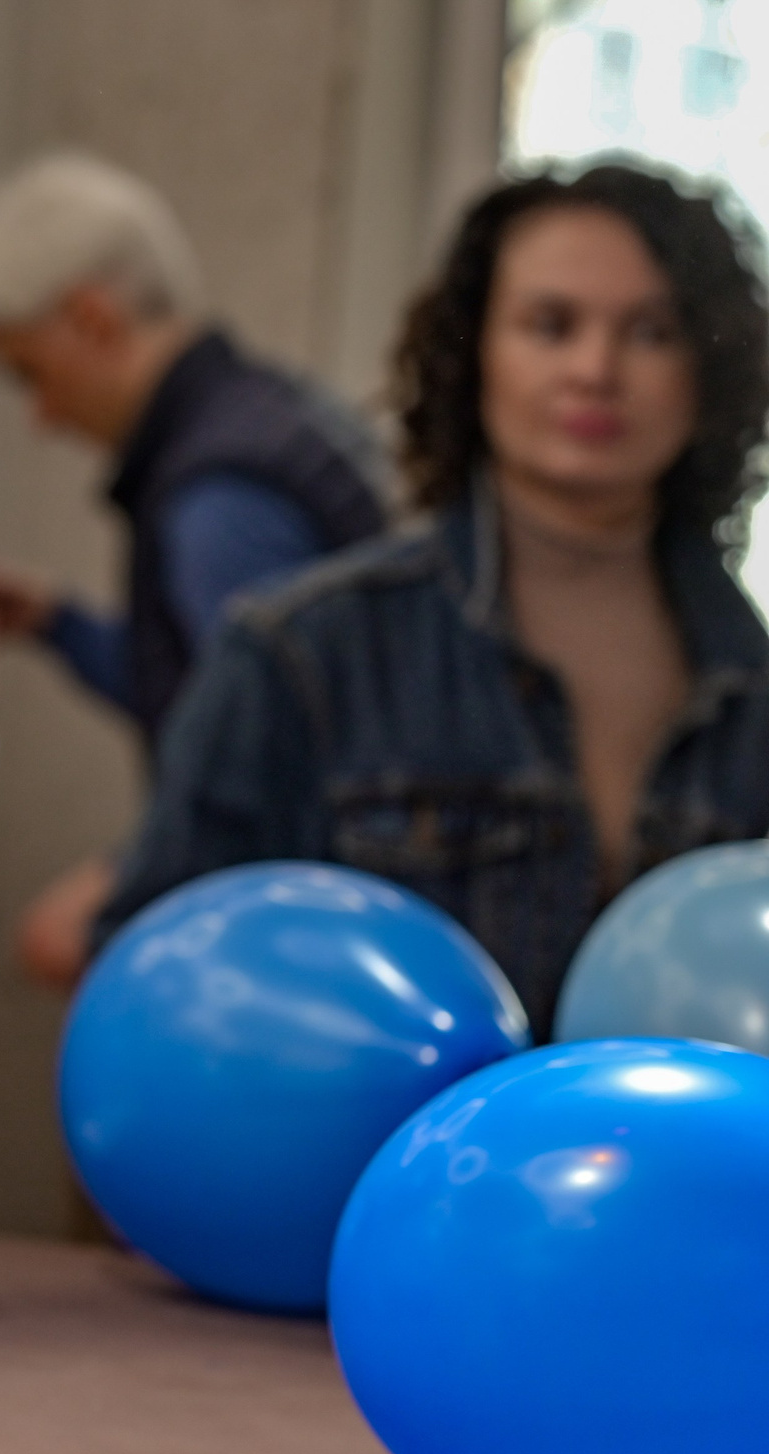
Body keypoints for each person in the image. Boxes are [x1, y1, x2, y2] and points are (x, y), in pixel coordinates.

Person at [98, 161, 769, 1037]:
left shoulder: (752, 682)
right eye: (550, 325)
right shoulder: (302, 651)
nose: (596, 369)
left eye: (650, 331)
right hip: (382, 1173)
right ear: (474, 349)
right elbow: (155, 991)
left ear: (706, 370)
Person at [0, 153, 391, 985]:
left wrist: (120, 904)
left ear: (93, 319)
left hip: (304, 951)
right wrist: (55, 624)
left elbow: (267, 763)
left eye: (30, 373)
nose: (40, 416)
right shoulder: (267, 417)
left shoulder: (221, 501)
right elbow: (200, 690)